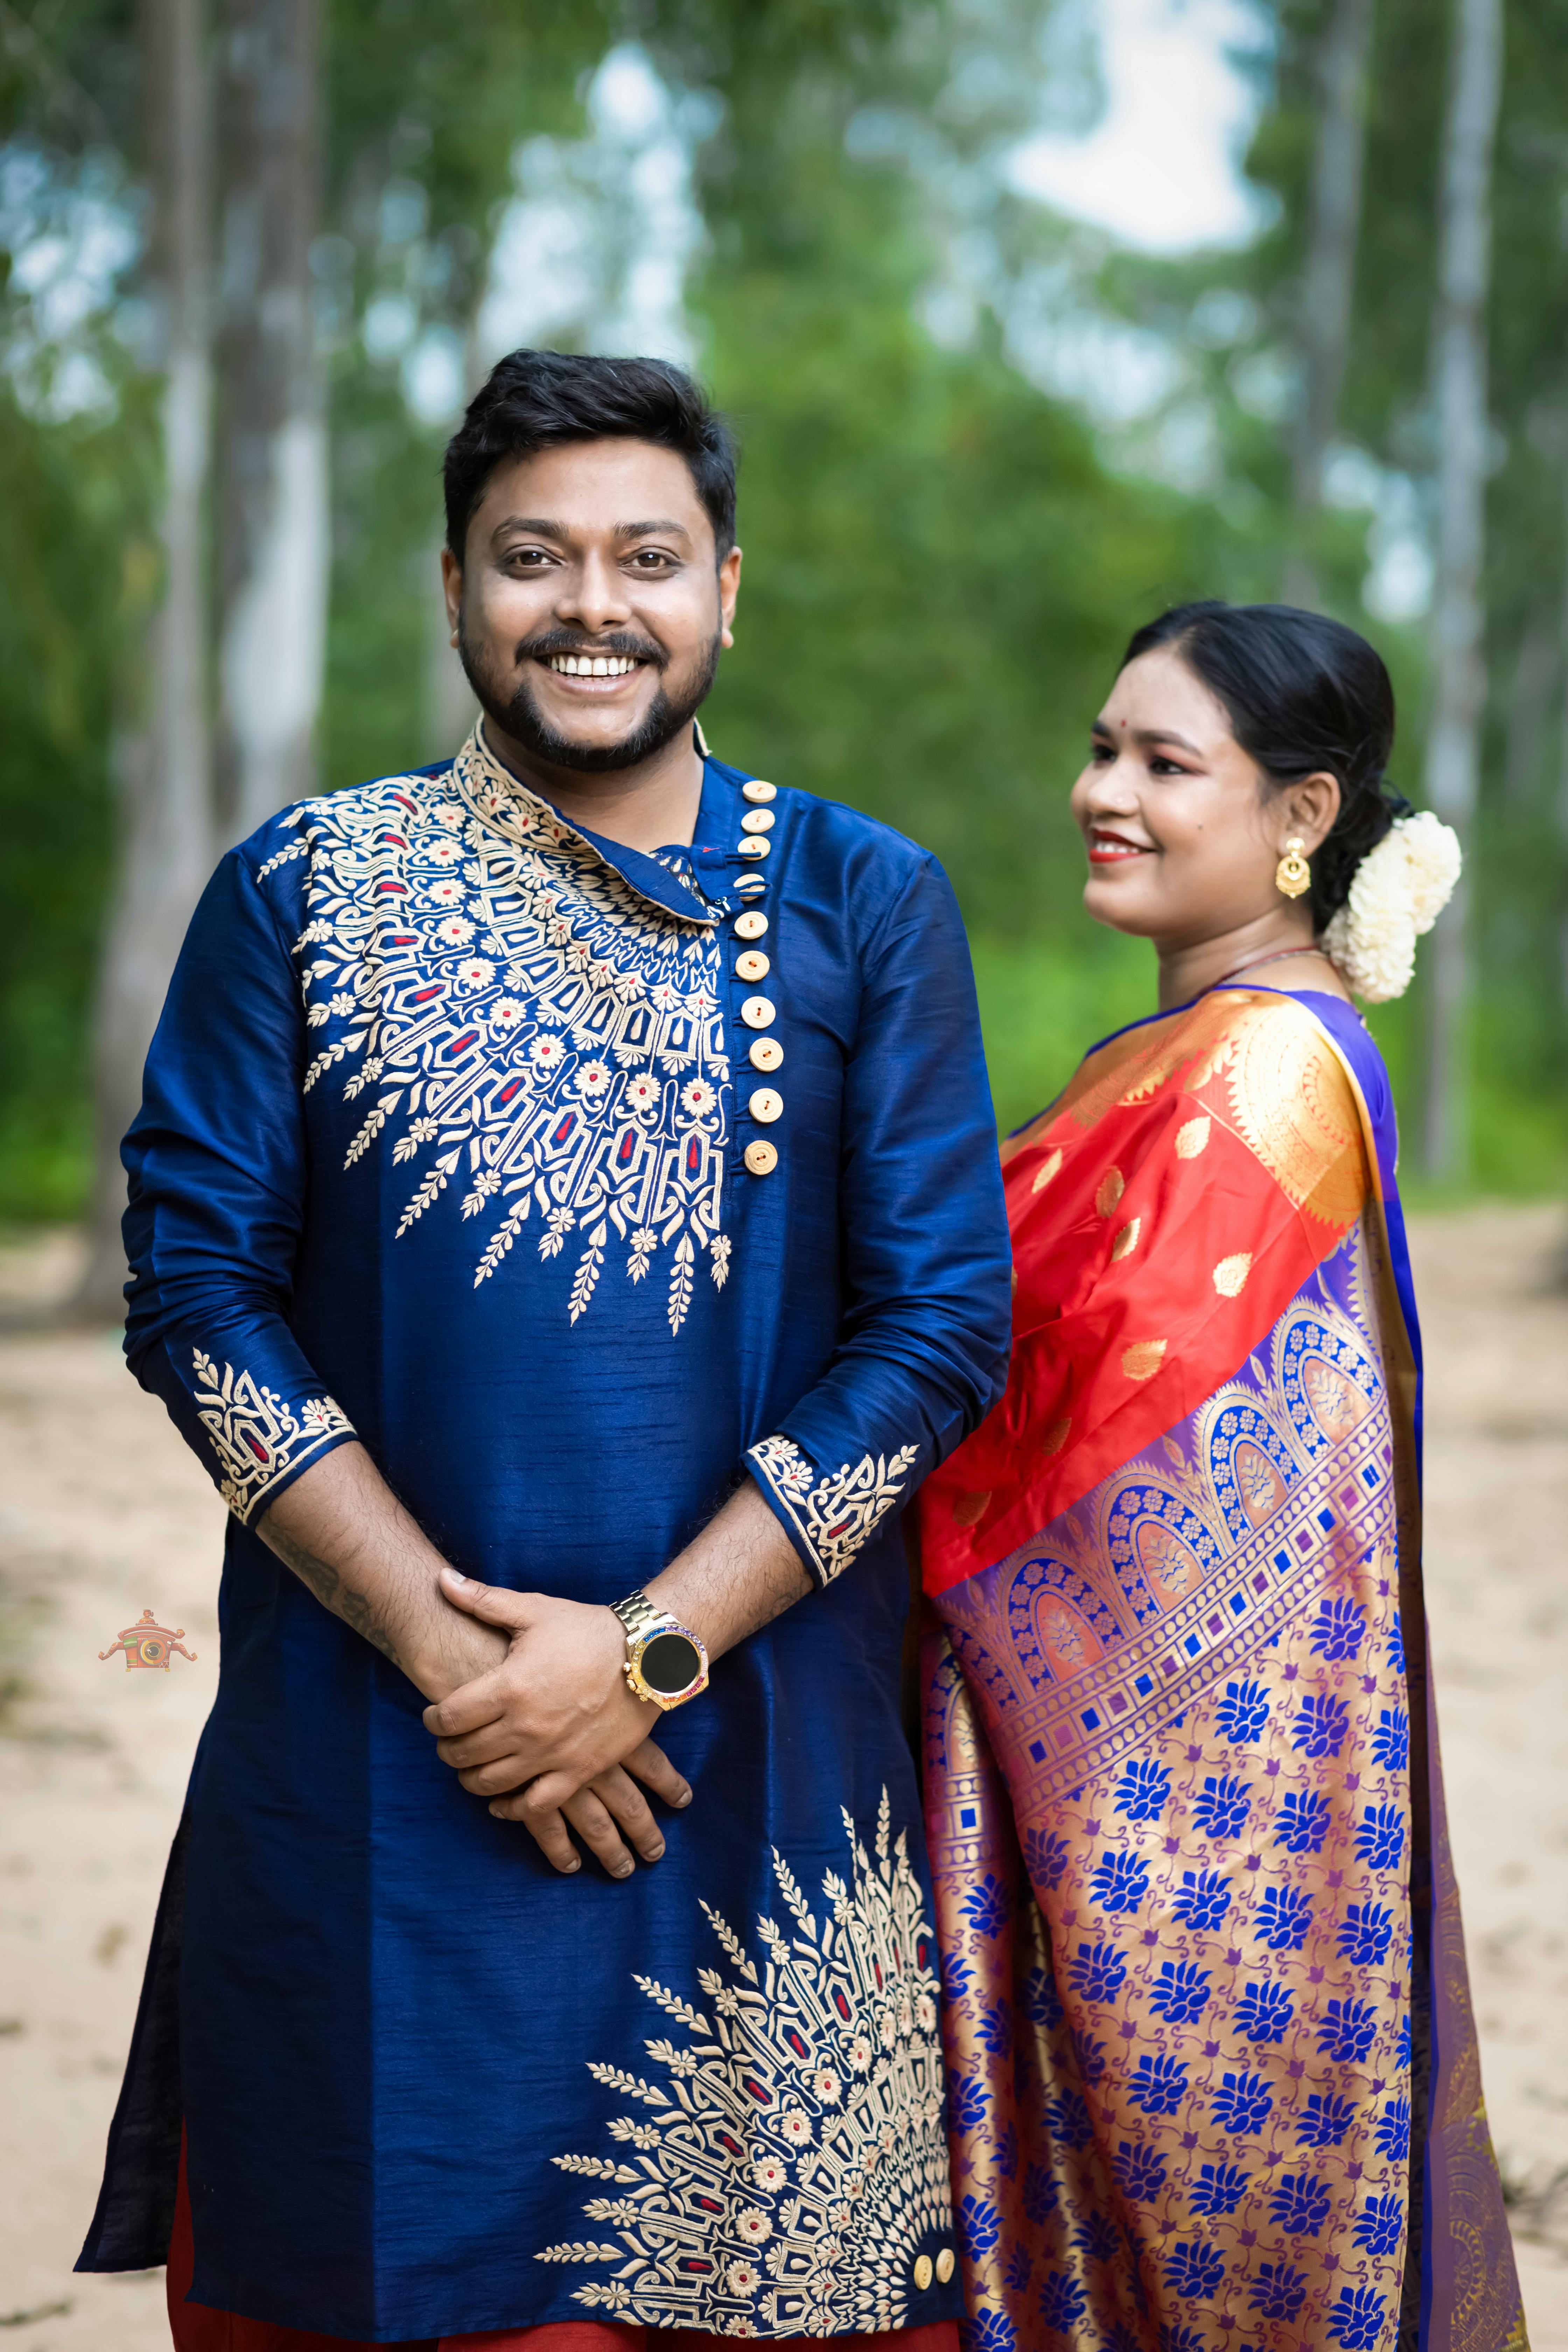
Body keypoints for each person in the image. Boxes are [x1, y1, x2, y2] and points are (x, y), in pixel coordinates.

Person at [77, 350, 1013, 2352]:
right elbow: (194, 1293)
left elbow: (939, 1328)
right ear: (451, 592)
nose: (592, 602)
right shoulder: (302, 894)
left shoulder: (871, 903)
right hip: (382, 1758)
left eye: (646, 556)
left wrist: (649, 1652)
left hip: (755, 1775)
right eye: (533, 556)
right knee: (376, 2250)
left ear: (728, 593)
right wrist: (464, 1659)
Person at [917, 602, 1526, 2352]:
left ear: (1301, 816)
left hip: (1182, 1789)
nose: (1101, 789)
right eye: (1105, 747)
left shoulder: (1263, 1067)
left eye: (1163, 764)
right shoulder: (1193, 1050)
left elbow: (1095, 1452)